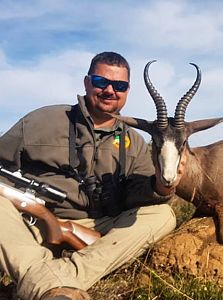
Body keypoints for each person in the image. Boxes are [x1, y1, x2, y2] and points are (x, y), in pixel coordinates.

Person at [0, 52, 184, 300]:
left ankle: (52, 277)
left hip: (101, 225)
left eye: (119, 86)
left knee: (162, 215)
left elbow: (137, 195)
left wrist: (161, 188)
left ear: (127, 91)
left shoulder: (134, 141)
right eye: (101, 82)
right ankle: (54, 284)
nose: (110, 90)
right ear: (87, 83)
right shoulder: (41, 121)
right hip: (32, 222)